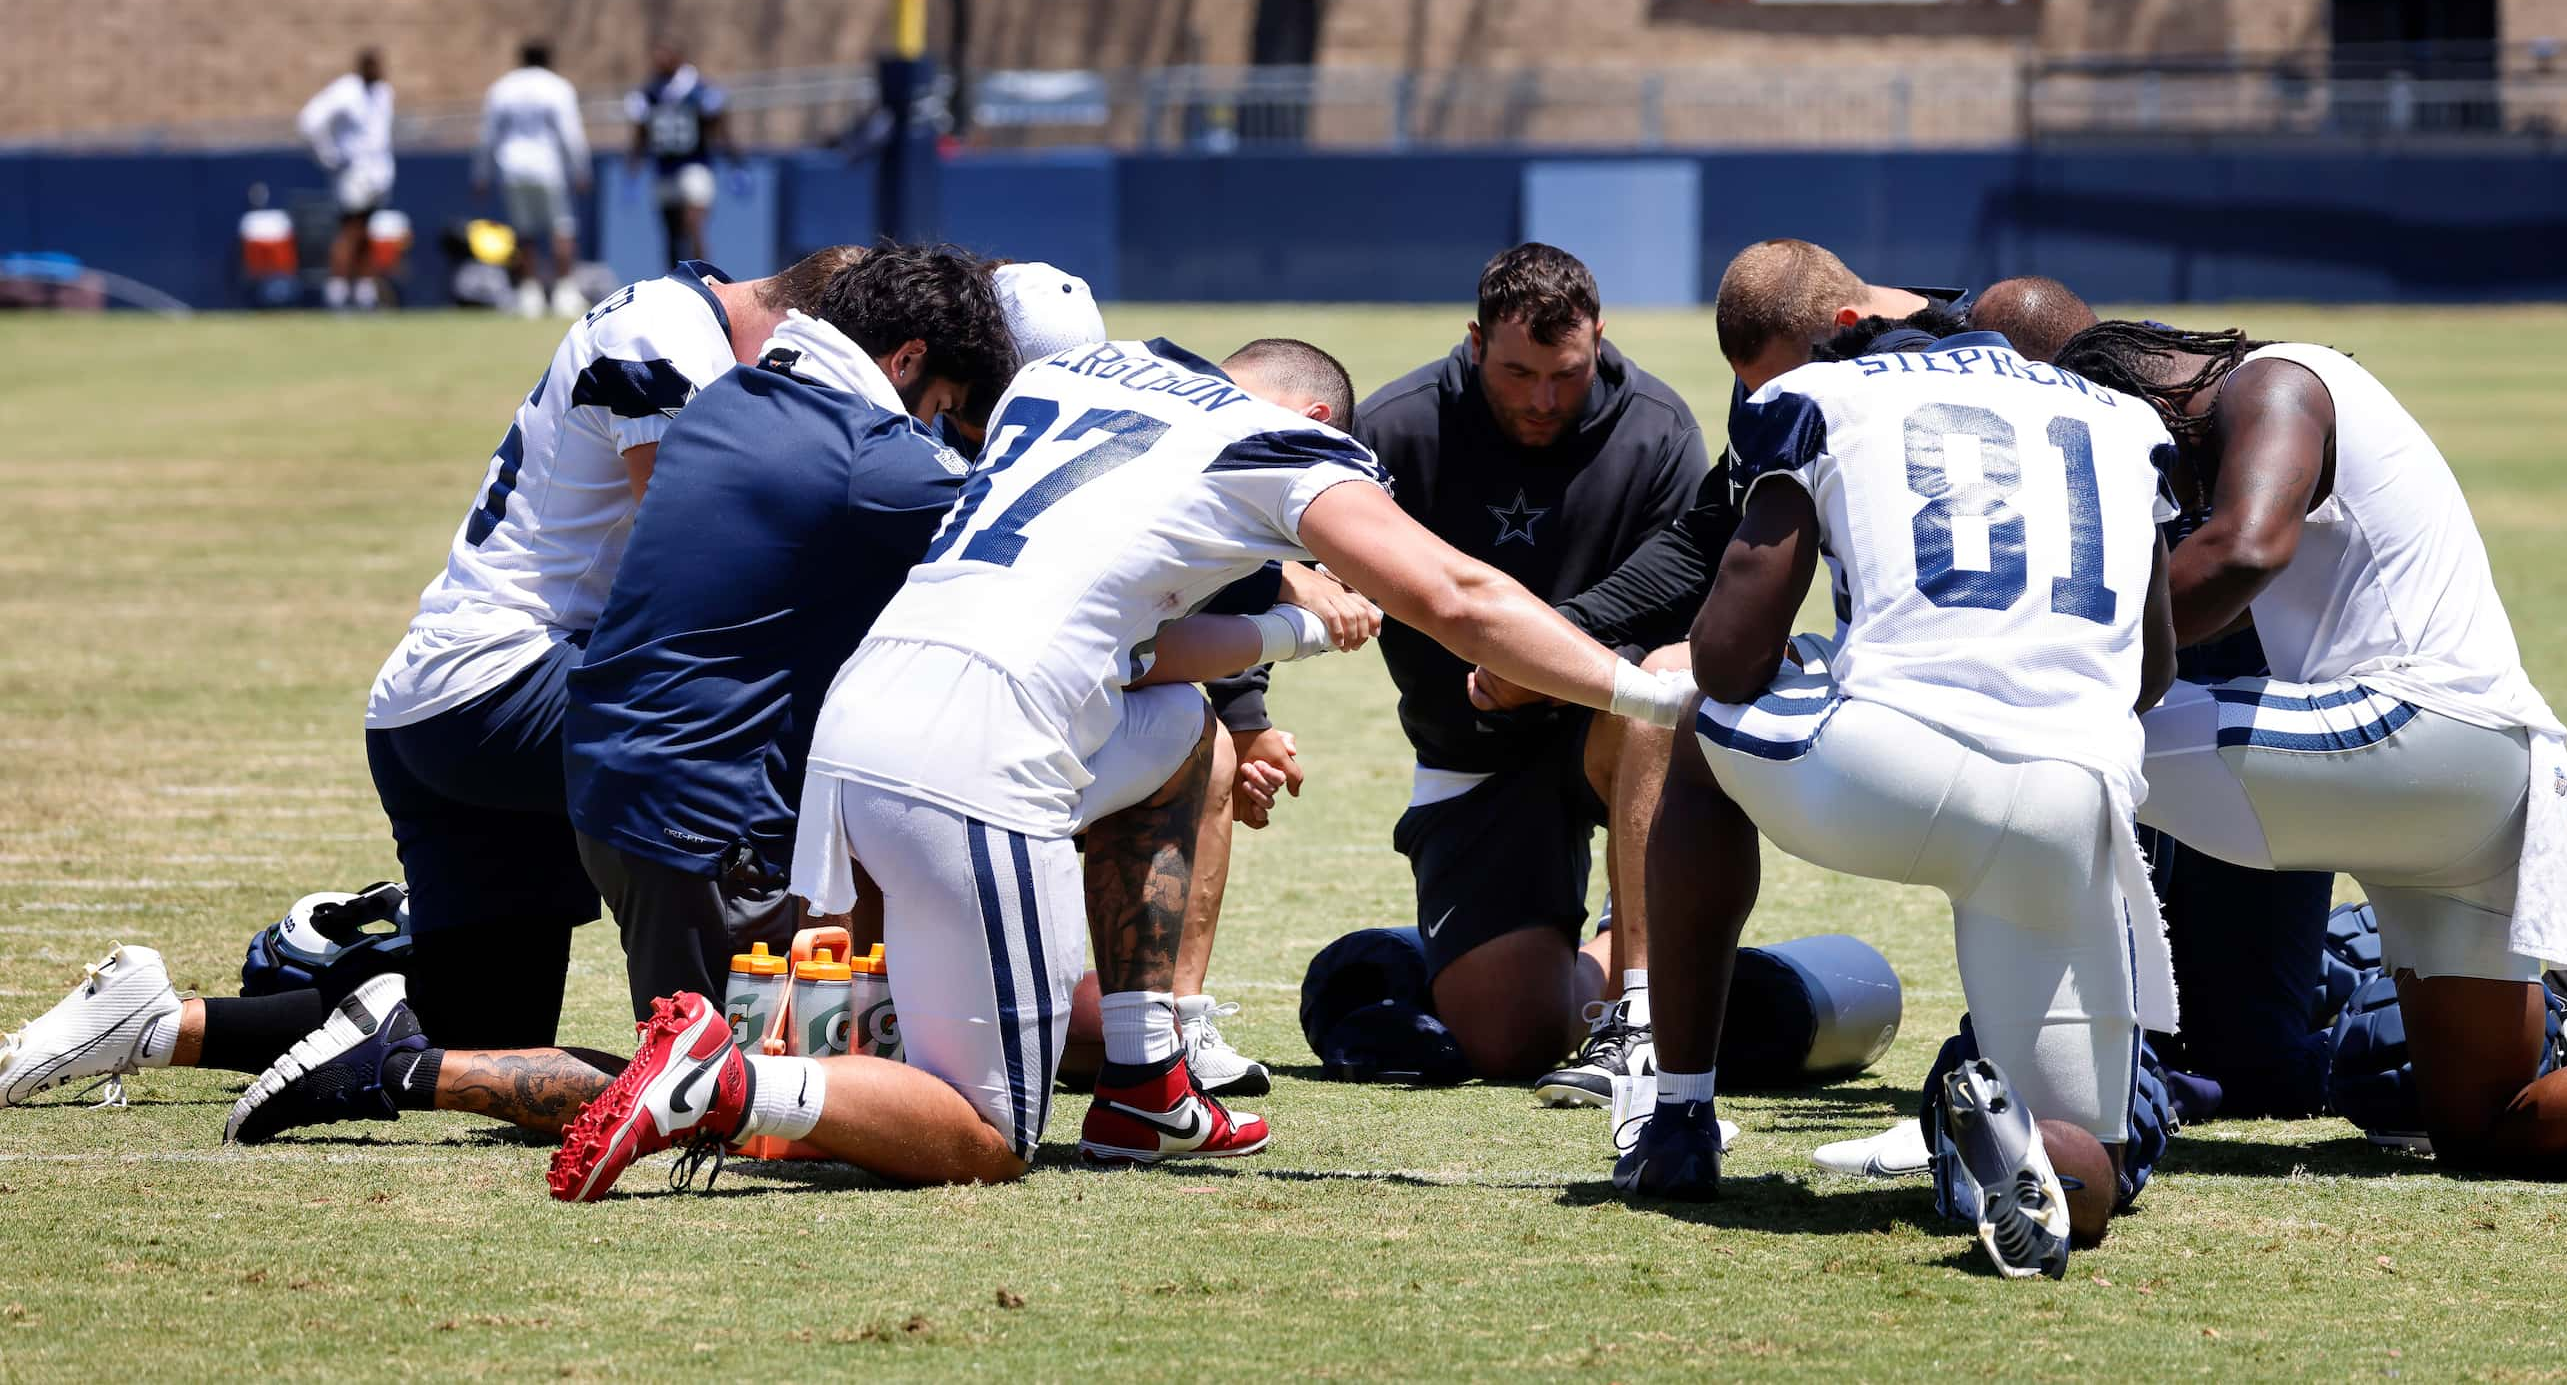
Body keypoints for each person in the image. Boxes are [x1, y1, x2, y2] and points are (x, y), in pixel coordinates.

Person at [541, 334, 1703, 1197]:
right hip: (977, 754)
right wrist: (1642, 688)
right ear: (1312, 418)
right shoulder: (1284, 445)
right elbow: (1454, 595)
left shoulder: (1072, 375)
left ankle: (1147, 1080)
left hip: (861, 721)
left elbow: (1136, 651)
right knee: (988, 1134)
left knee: (1179, 734)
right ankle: (720, 1079)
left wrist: (1294, 626)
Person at [0, 250, 867, 1108]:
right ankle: (724, 1064)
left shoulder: (678, 312)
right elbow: (689, 574)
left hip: (452, 702)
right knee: (731, 737)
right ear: (809, 338)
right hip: (501, 688)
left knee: (474, 1033)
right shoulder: (671, 338)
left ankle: (153, 1024)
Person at [217, 244, 1021, 1145]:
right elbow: (712, 587)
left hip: (476, 699)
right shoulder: (698, 360)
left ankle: (168, 1025)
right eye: (940, 408)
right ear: (897, 354)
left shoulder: (717, 373)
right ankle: (405, 1055)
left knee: (489, 1032)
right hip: (526, 687)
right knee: (717, 1079)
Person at [2050, 320, 2567, 1211]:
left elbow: (2242, 550)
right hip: (2495, 783)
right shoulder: (2299, 412)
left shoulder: (2274, 381)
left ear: (2155, 402)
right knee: (2486, 1123)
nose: (2177, 499)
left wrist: (2038, 646)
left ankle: (2034, 1068)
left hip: (2410, 733)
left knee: (2034, 738)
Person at [1616, 306, 2182, 1285]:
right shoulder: (2123, 421)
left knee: (1698, 731)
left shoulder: (1819, 396)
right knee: (2091, 1171)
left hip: (1887, 770)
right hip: (2070, 798)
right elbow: (2151, 672)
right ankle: (2024, 1156)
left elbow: (1731, 656)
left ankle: (1678, 1116)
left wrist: (1828, 660)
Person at [1351, 244, 1707, 1095]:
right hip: (1469, 754)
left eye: (1567, 373)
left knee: (1658, 690)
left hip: (1602, 732)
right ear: (1475, 343)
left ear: (1599, 339)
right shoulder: (1396, 426)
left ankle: (1644, 1010)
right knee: (1509, 1044)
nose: (1543, 400)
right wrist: (1248, 713)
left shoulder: (1659, 427)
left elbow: (1692, 583)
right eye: (1517, 373)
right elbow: (1286, 553)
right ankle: (1622, 968)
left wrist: (1540, 657)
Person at [474, 43, 592, 320]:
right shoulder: (558, 87)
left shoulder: (502, 88)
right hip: (548, 167)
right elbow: (570, 133)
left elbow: (488, 135)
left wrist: (481, 173)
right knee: (561, 228)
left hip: (512, 166)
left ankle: (529, 294)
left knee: (524, 232)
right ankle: (563, 292)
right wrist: (582, 170)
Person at [298, 49, 395, 310]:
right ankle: (337, 291)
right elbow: (310, 120)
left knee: (366, 232)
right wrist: (328, 155)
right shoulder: (346, 91)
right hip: (354, 173)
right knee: (350, 230)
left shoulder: (383, 93)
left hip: (378, 174)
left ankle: (364, 293)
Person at [625, 45, 731, 267]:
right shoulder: (649, 93)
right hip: (664, 168)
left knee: (693, 223)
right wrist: (633, 168)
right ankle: (674, 282)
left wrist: (734, 159)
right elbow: (640, 133)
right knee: (671, 231)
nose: (660, 62)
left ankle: (704, 279)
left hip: (694, 164)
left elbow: (718, 122)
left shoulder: (699, 89)